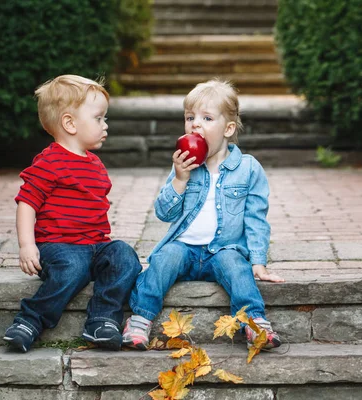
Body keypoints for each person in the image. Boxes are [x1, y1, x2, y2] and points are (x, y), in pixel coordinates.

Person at [122, 79, 285, 350]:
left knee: (237, 267)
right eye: (189, 118)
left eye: (206, 118)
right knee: (163, 260)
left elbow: (256, 219)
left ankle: (255, 323)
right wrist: (180, 179)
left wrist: (258, 261)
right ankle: (140, 319)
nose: (195, 124)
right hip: (184, 248)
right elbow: (164, 212)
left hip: (224, 249)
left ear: (228, 129)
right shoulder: (184, 166)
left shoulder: (248, 168)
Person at [3, 75, 142, 353]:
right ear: (70, 123)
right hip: (59, 247)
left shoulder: (96, 164)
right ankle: (30, 320)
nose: (106, 125)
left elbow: (93, 207)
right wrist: (27, 245)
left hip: (94, 245)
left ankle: (102, 320)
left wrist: (102, 240)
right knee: (73, 269)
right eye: (99, 118)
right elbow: (27, 203)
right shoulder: (49, 161)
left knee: (125, 256)